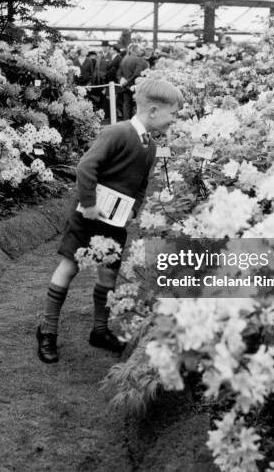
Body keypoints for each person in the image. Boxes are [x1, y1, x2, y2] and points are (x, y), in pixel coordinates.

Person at [36, 77, 183, 363]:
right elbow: (86, 167)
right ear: (153, 111)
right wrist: (89, 204)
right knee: (69, 267)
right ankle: (47, 330)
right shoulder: (117, 132)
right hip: (88, 218)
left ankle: (99, 330)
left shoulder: (150, 146)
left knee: (108, 274)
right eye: (173, 113)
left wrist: (133, 211)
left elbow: (141, 185)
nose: (175, 120)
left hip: (115, 223)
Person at [117, 44, 149, 119]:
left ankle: (126, 122)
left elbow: (119, 73)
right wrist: (128, 82)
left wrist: (122, 80)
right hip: (135, 86)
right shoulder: (139, 60)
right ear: (136, 50)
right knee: (137, 105)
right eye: (140, 50)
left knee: (126, 104)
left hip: (125, 86)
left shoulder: (124, 59)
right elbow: (137, 73)